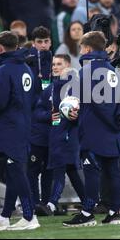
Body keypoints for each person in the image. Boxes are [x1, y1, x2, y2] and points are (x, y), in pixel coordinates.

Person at [62, 31, 120, 227]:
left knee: (91, 170)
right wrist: (119, 119)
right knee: (113, 171)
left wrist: (73, 113)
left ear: (88, 49)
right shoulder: (112, 71)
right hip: (114, 131)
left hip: (93, 130)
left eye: (82, 47)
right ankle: (114, 212)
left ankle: (87, 213)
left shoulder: (86, 72)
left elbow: (79, 100)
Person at [0, 31, 39, 231]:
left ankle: (30, 216)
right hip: (22, 124)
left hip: (8, 127)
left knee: (15, 171)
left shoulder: (4, 70)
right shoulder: (25, 68)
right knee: (14, 171)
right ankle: (5, 216)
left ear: (0, 47)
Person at [37, 54, 85, 216]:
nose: (55, 67)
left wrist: (77, 116)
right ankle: (88, 201)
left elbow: (83, 109)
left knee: (60, 168)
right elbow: (38, 111)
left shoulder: (76, 87)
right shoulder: (50, 88)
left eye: (59, 64)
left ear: (68, 65)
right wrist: (48, 116)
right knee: (71, 170)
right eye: (53, 65)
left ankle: (51, 203)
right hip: (55, 134)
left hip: (69, 135)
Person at [26, 26, 53, 99]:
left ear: (50, 42)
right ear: (33, 43)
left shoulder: (55, 60)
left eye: (46, 41)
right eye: (39, 42)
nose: (43, 45)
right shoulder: (27, 61)